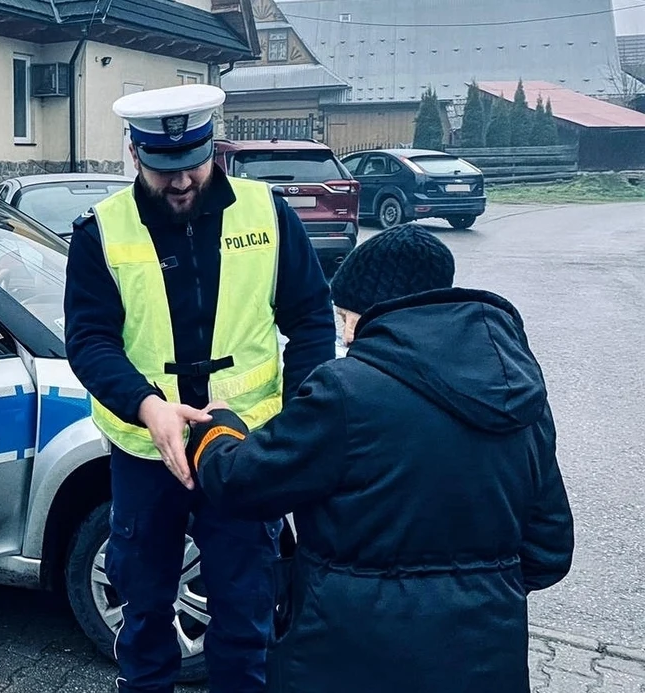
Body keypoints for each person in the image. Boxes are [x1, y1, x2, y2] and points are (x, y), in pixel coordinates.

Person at [186, 224, 575, 693]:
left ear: (369, 313)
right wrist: (474, 589)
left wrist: (216, 427)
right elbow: (549, 550)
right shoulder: (518, 390)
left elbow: (240, 482)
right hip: (485, 662)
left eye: (343, 316)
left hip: (349, 658)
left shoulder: (346, 392)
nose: (344, 333)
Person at [63, 83, 336, 693]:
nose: (181, 182)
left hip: (244, 452)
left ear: (215, 147)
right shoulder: (100, 232)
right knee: (144, 612)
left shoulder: (267, 214)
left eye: (193, 163)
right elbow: (89, 341)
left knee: (246, 615)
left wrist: (298, 419)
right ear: (135, 154)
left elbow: (313, 322)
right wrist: (146, 405)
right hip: (145, 453)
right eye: (164, 169)